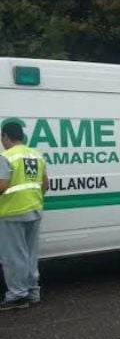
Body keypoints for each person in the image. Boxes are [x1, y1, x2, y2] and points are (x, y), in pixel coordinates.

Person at [0, 122, 48, 311]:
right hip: (34, 209)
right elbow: (46, 184)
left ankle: (17, 297)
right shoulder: (36, 154)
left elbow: (2, 185)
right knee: (30, 255)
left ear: (5, 136)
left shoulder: (6, 157)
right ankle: (33, 292)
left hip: (12, 212)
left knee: (13, 257)